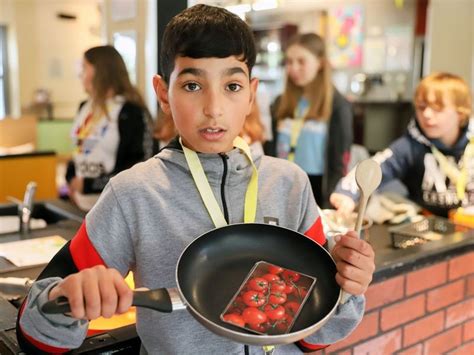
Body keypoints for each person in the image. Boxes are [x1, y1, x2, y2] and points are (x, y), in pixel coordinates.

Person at [17, 5, 375, 354]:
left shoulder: (289, 184)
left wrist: (346, 288)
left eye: (232, 86)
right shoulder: (134, 193)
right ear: (163, 94)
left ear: (251, 93)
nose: (214, 107)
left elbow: (314, 338)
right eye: (191, 85)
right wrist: (67, 297)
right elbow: (34, 333)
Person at [330, 72, 473, 217]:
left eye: (437, 109)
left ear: (461, 113)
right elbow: (373, 168)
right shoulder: (409, 145)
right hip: (427, 226)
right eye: (421, 107)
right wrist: (346, 193)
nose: (427, 115)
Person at [269, 33, 353, 208]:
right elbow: (272, 147)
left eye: (301, 61)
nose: (293, 68)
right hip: (282, 184)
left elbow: (339, 161)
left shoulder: (337, 106)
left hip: (317, 189)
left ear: (320, 63)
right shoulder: (280, 102)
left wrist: (333, 200)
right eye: (289, 61)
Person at [66, 45, 154, 211]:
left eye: (84, 68)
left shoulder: (130, 111)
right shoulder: (84, 106)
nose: (80, 75)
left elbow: (139, 166)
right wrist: (71, 179)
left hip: (114, 209)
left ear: (100, 71)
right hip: (80, 206)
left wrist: (90, 185)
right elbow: (78, 150)